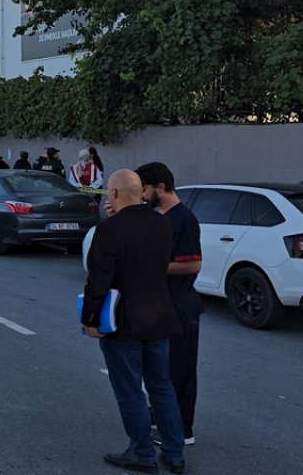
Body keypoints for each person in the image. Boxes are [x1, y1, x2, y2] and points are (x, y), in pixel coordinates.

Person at [83, 169, 186, 474]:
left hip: (123, 321)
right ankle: (174, 452)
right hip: (160, 316)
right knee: (162, 386)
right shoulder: (162, 223)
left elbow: (98, 280)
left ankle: (141, 452)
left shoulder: (110, 230)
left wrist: (90, 319)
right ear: (141, 191)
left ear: (112, 194)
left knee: (129, 388)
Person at [137, 162, 203, 448]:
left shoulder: (183, 220)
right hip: (164, 305)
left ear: (160, 187)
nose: (142, 195)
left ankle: (182, 429)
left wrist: (155, 266)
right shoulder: (163, 216)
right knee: (163, 370)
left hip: (180, 306)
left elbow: (193, 265)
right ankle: (162, 418)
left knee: (180, 371)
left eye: (145, 190)